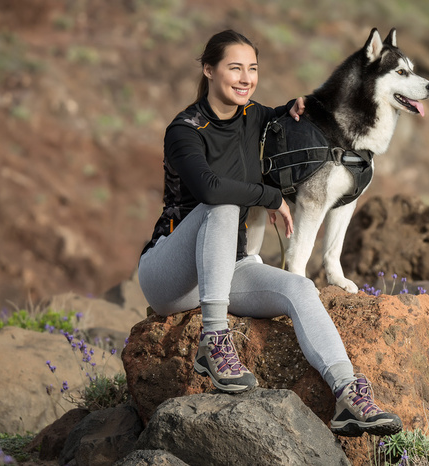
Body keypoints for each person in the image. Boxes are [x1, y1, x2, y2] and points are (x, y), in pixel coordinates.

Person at [137, 29, 402, 437]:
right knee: (222, 205)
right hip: (169, 272)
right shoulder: (184, 130)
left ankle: (348, 394)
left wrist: (300, 105)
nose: (245, 78)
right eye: (235, 68)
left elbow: (290, 112)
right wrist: (271, 197)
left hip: (229, 269)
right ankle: (214, 342)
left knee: (301, 289)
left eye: (253, 69)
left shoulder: (255, 116)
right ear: (209, 70)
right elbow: (209, 188)